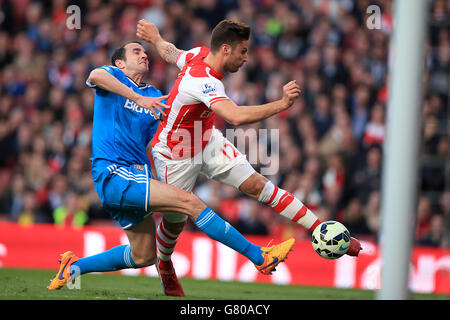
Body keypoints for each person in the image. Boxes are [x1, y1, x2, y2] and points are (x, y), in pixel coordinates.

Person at [47, 41, 295, 296]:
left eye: (145, 52)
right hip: (114, 172)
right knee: (191, 204)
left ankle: (74, 266)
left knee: (142, 255)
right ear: (120, 62)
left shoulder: (156, 95)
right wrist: (136, 97)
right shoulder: (112, 76)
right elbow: (94, 75)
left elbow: (171, 127)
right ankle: (259, 256)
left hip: (137, 176)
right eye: (136, 52)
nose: (144, 54)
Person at [136, 19, 362, 293]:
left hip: (206, 140)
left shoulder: (197, 54)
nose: (246, 58)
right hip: (174, 154)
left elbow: (173, 53)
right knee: (175, 221)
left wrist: (157, 38)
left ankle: (320, 229)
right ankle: (164, 263)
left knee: (258, 185)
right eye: (243, 51)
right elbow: (235, 116)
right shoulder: (205, 81)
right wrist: (282, 104)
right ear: (226, 50)